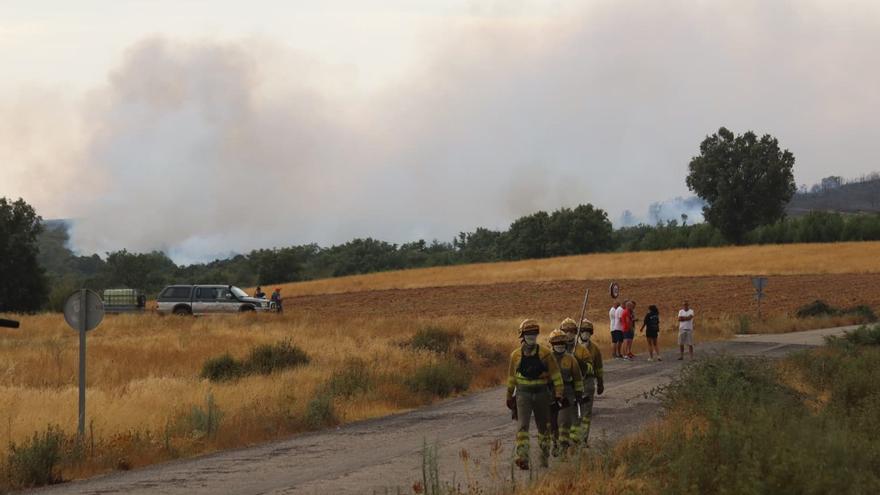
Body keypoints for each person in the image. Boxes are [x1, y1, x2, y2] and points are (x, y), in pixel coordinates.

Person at [506, 319, 564, 470]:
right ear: (522, 336)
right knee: (522, 426)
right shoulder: (515, 356)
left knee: (544, 428)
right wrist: (508, 396)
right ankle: (522, 456)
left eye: (534, 333)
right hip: (523, 395)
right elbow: (511, 378)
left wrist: (558, 394)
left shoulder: (545, 354)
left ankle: (544, 457)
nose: (531, 336)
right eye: (528, 334)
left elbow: (556, 376)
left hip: (542, 395)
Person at [561, 318, 603, 447]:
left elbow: (593, 368)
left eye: (572, 331)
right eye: (566, 331)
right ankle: (572, 439)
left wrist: (600, 382)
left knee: (585, 413)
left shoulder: (586, 350)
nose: (569, 334)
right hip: (570, 387)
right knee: (571, 414)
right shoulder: (558, 350)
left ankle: (583, 439)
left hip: (586, 384)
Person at [547, 328, 583, 458]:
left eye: (562, 343)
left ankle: (563, 447)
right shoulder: (546, 359)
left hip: (567, 395)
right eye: (557, 344)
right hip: (550, 394)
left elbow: (578, 379)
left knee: (564, 421)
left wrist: (578, 394)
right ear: (552, 345)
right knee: (552, 423)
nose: (560, 346)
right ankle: (555, 443)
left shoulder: (571, 359)